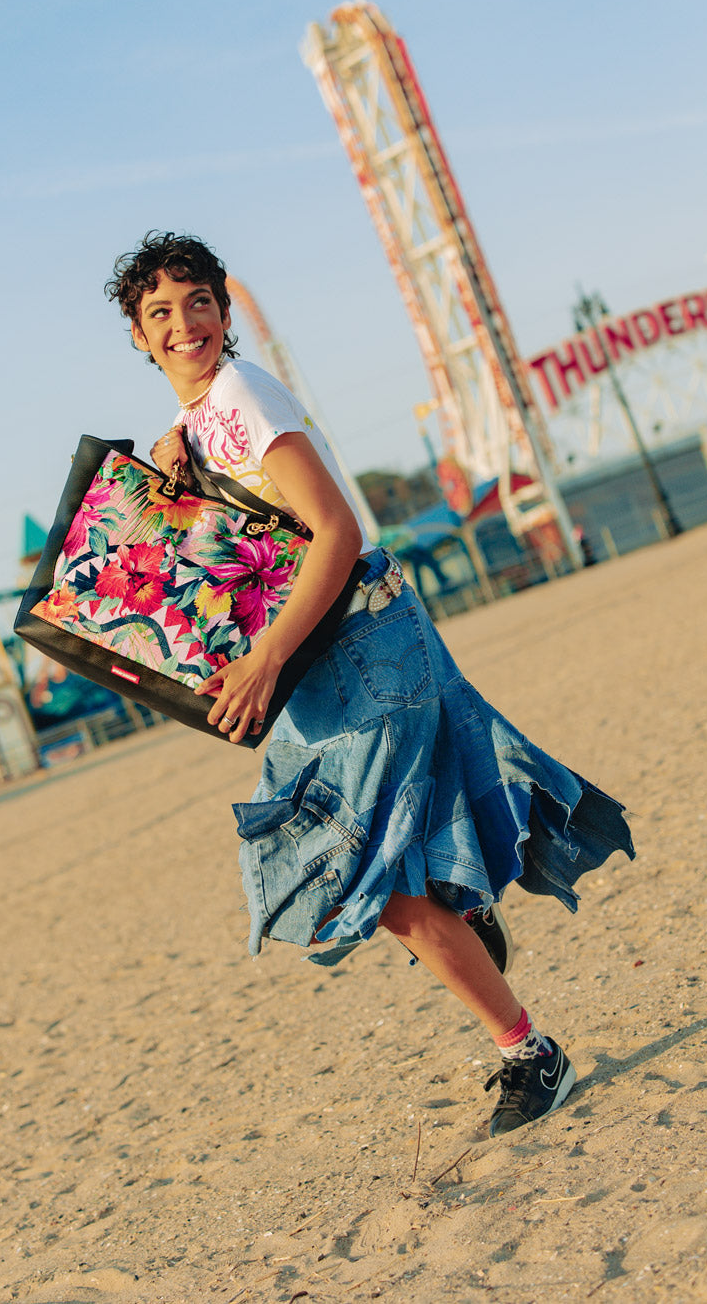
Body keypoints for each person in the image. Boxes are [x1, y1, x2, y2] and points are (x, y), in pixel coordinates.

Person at [105, 232, 635, 1137]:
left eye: (199, 302)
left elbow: (336, 531)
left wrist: (265, 659)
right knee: (375, 867)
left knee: (371, 877)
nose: (185, 323)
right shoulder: (204, 419)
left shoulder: (240, 396)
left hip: (355, 646)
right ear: (138, 336)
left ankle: (531, 1054)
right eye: (161, 312)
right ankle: (468, 918)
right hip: (326, 663)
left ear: (224, 311)